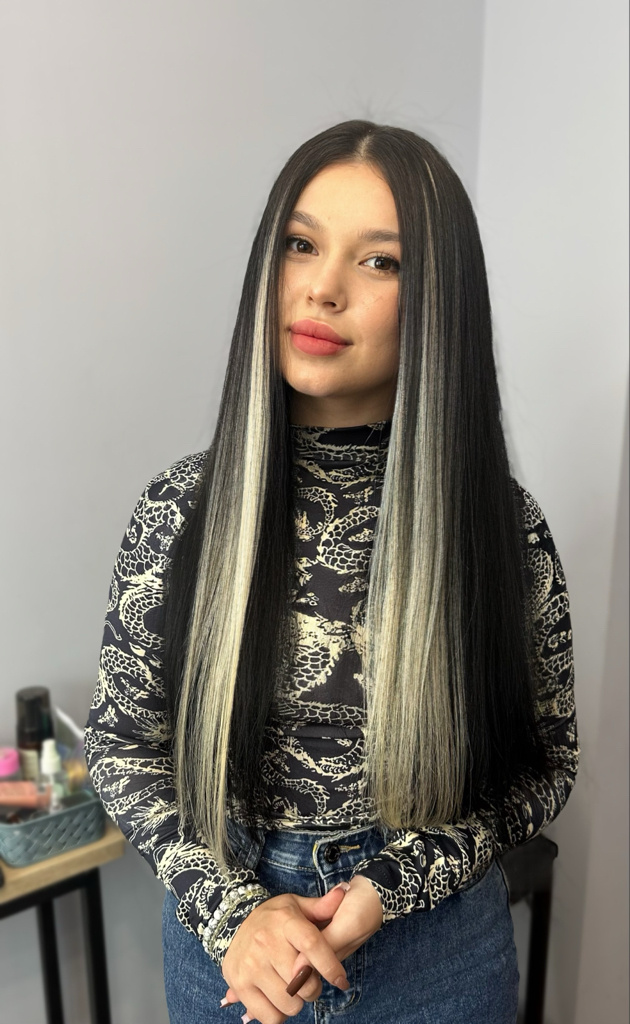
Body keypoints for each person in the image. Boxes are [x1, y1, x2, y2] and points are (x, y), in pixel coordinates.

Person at [85, 121, 579, 1024]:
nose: (322, 287)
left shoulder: (500, 532)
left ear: (437, 302)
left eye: (380, 262)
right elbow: (122, 745)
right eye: (301, 245)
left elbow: (545, 764)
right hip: (232, 960)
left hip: (438, 956)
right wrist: (234, 911)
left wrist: (397, 881)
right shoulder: (180, 510)